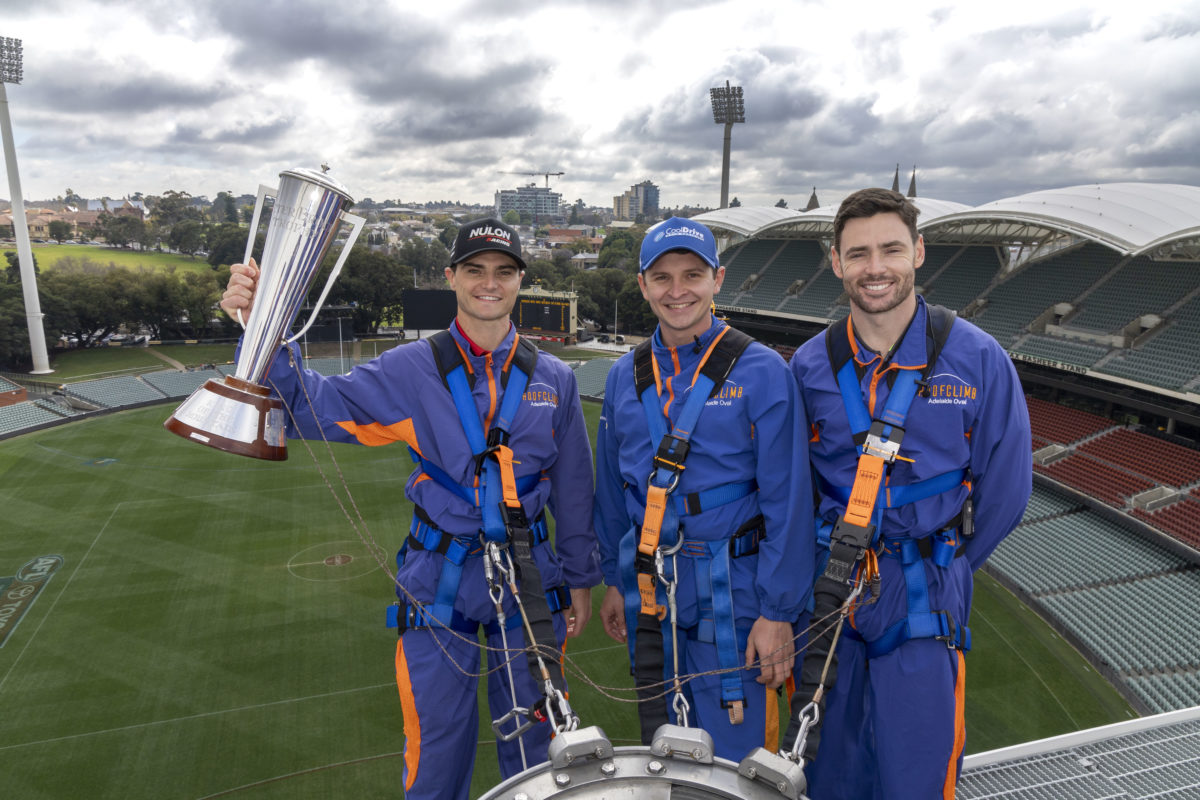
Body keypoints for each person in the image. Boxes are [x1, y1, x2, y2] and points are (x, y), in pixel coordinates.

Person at [220, 217, 601, 800]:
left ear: (521, 281)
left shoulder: (553, 378)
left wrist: (580, 577)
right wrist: (261, 326)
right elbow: (314, 405)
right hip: (440, 579)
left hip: (530, 579)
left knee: (537, 747)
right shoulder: (412, 367)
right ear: (451, 277)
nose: (489, 283)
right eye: (475, 270)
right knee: (435, 749)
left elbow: (573, 486)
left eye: (503, 272)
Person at [788, 188, 1032, 799]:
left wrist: (943, 561)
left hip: (925, 585)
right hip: (831, 586)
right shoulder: (811, 365)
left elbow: (1007, 487)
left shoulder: (978, 358)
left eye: (892, 249)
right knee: (825, 771)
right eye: (859, 253)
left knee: (918, 776)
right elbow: (795, 486)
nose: (877, 267)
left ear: (918, 252)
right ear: (837, 262)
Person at [593, 216, 815, 761]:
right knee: (664, 754)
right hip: (655, 596)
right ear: (643, 285)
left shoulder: (762, 370)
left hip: (735, 597)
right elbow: (613, 489)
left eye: (692, 275)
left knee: (737, 764)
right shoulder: (626, 374)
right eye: (662, 277)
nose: (677, 291)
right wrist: (615, 582)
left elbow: (788, 499)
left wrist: (778, 611)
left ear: (717, 279)